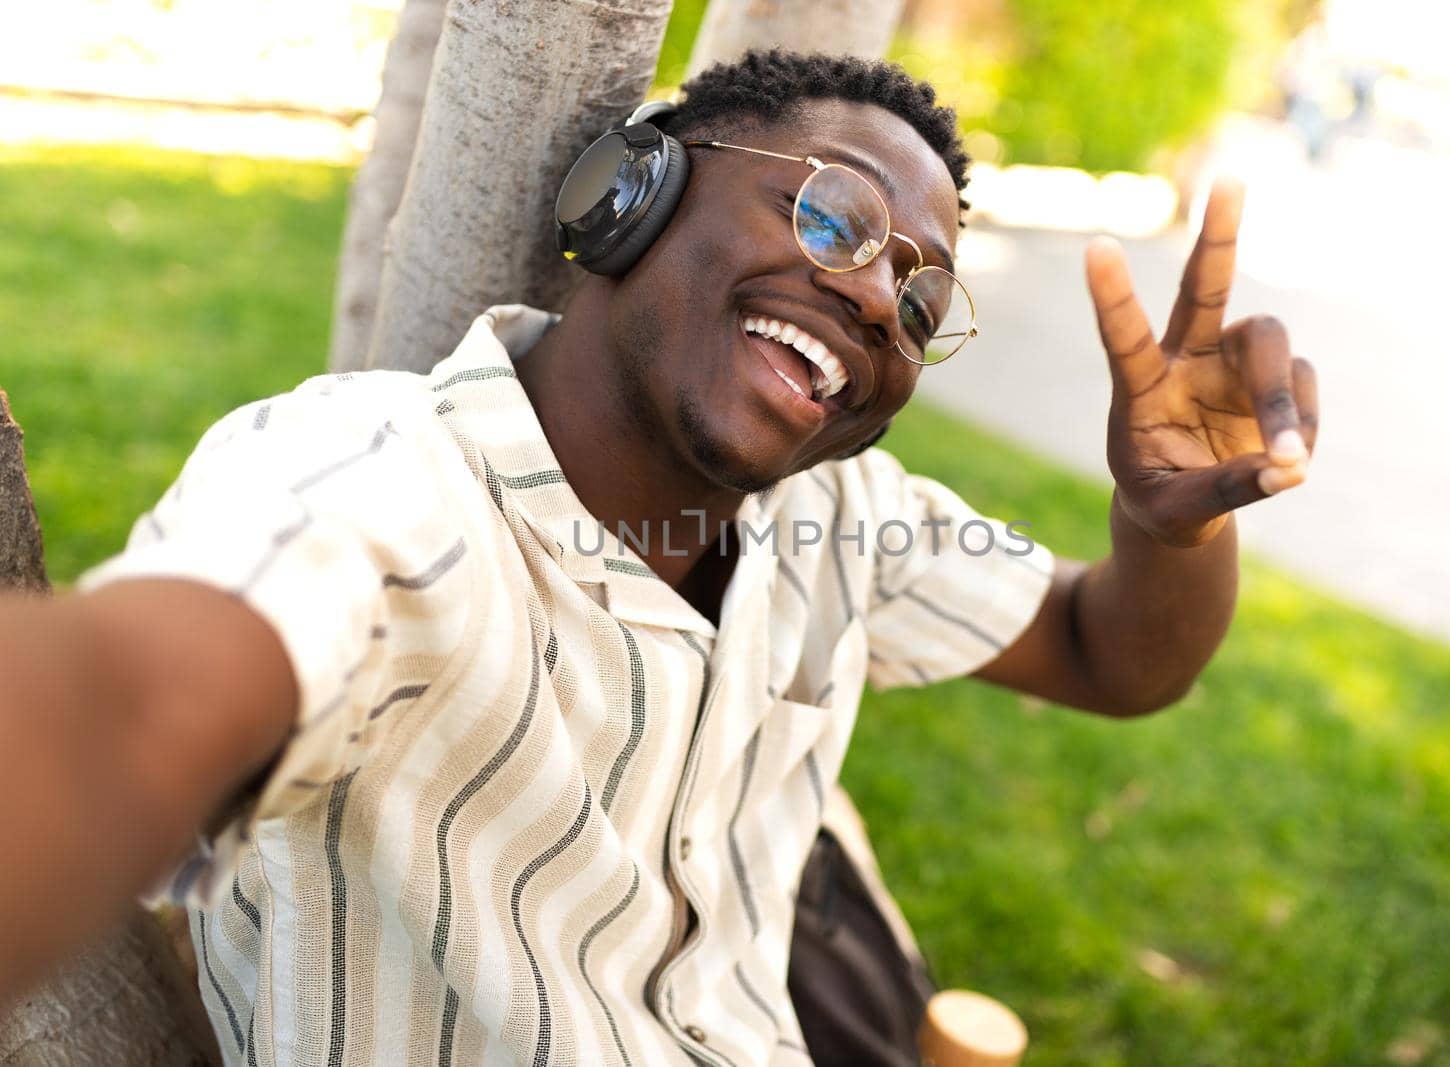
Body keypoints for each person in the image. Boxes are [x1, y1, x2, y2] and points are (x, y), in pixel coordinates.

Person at [0, 50, 1317, 1066]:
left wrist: (1168, 525)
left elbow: (1112, 653)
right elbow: (130, 703)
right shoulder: (386, 485)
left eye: (920, 300)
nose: (875, 297)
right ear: (627, 196)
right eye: (832, 219)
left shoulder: (841, 520)